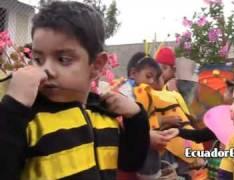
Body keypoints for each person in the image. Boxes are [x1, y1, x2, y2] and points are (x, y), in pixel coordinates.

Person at [0, 1, 150, 179]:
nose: (46, 69)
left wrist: (136, 117)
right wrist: (13, 108)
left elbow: (131, 162)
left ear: (97, 65)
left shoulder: (103, 114)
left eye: (63, 59)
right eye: (38, 59)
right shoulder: (28, 119)